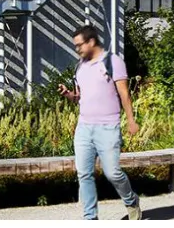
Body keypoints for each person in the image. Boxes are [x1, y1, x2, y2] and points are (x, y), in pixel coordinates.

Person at [62, 24, 140, 220]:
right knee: (84, 174)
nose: (77, 49)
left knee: (113, 173)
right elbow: (81, 97)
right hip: (84, 128)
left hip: (108, 126)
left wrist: (131, 120)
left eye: (79, 45)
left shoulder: (113, 62)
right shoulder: (80, 66)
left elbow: (124, 94)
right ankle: (90, 218)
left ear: (91, 41)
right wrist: (69, 95)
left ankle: (131, 201)